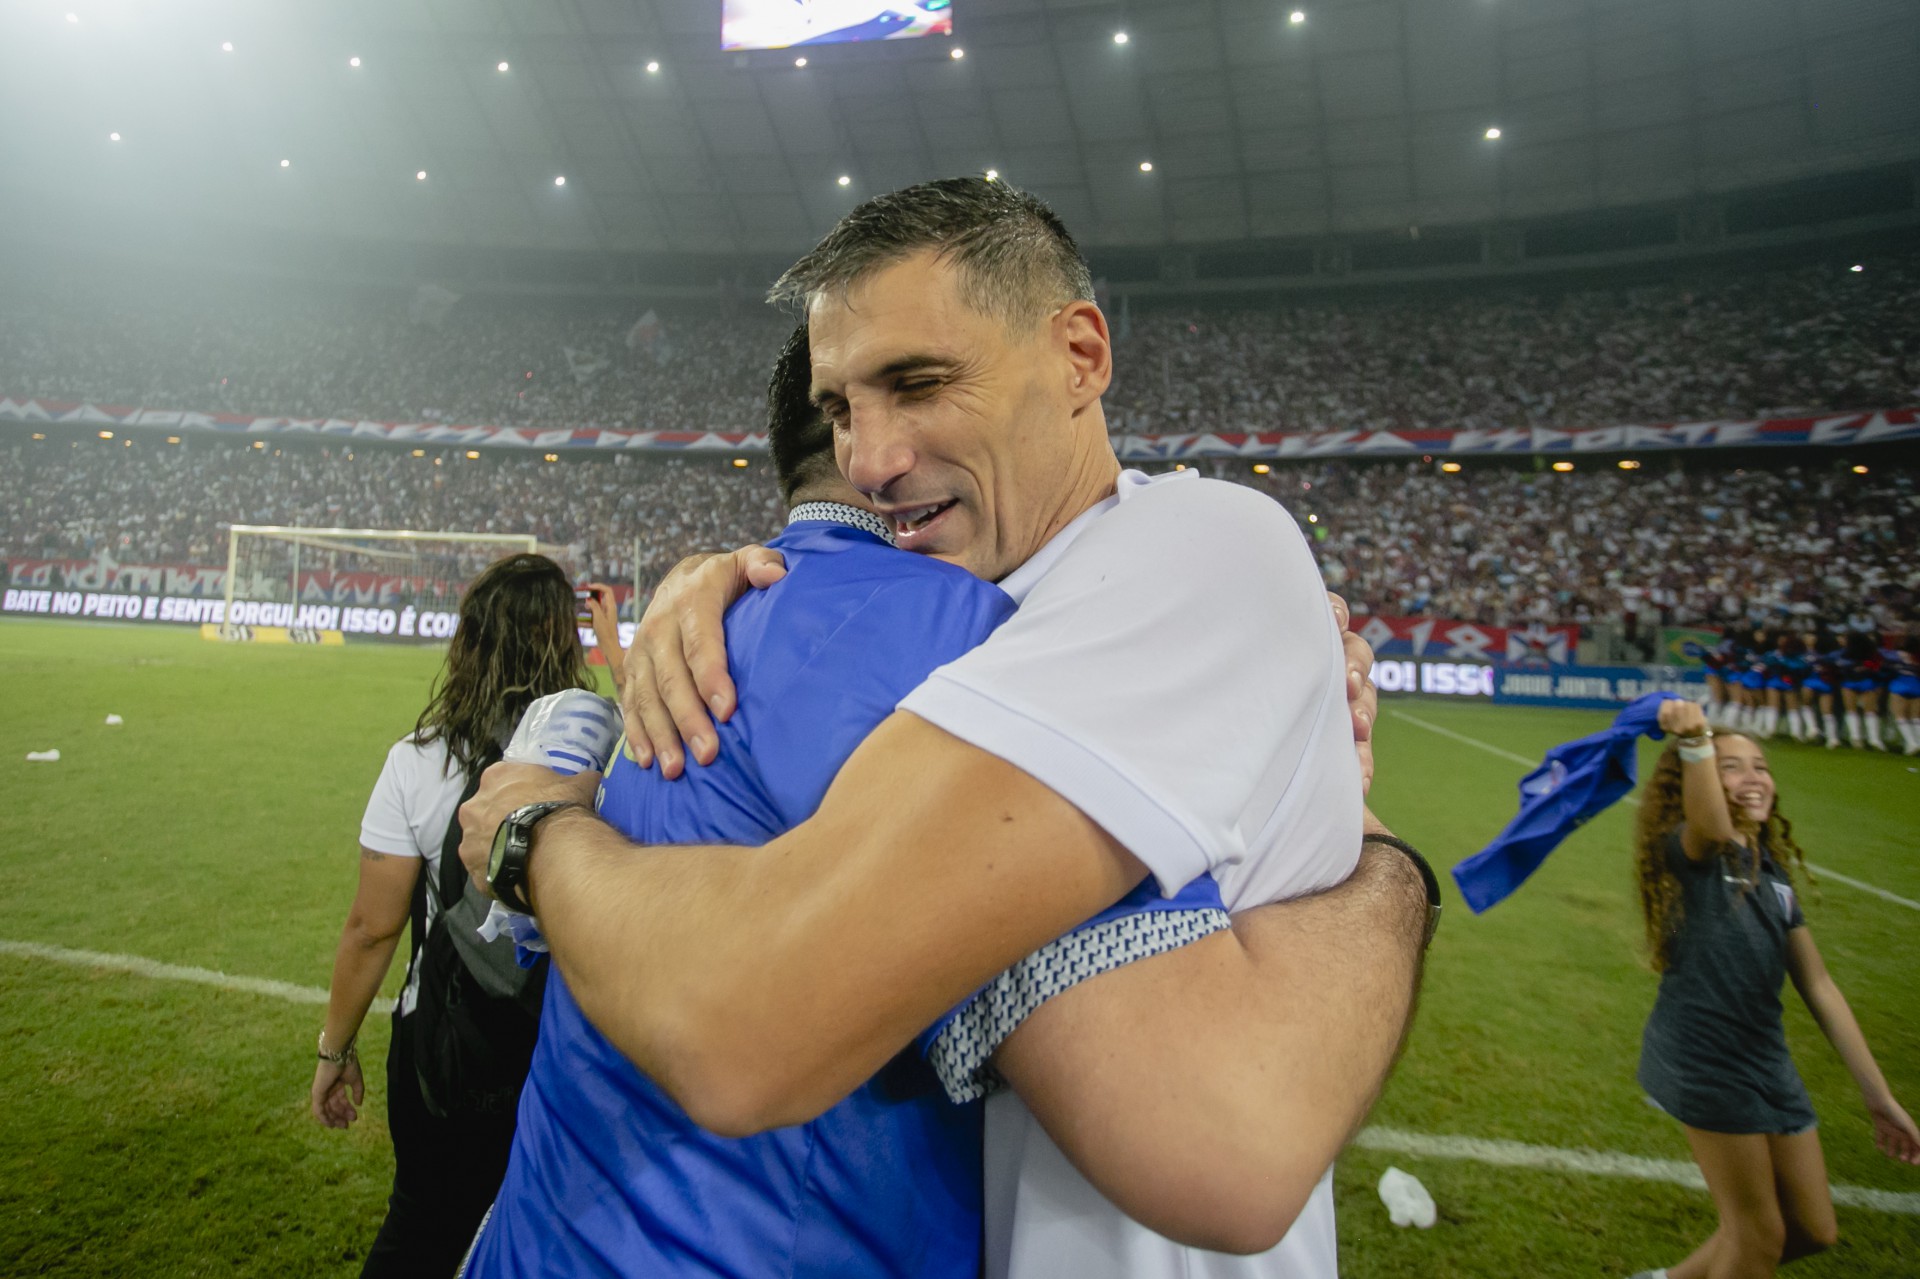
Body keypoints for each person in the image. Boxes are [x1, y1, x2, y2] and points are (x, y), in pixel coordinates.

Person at [458, 178, 1432, 1273]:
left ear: (1080, 356)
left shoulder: (1194, 545)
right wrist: (725, 574)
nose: (869, 461)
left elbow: (1227, 1148)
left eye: (918, 383)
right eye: (840, 409)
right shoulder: (989, 607)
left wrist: (1388, 866)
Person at [312, 552, 597, 1279]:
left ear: (467, 641)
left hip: (445, 1052)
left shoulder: (420, 760)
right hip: (566, 1050)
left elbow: (373, 929)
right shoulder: (607, 759)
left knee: (423, 1228)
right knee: (549, 1241)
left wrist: (333, 1052)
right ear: (564, 640)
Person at [1628, 700, 1920, 1279]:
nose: (1753, 777)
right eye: (1732, 767)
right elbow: (1712, 826)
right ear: (1695, 780)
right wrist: (1695, 741)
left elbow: (1819, 985)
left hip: (1766, 1059)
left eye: (1760, 766)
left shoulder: (1772, 872)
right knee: (1758, 1238)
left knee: (1813, 1229)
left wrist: (1879, 1097)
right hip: (1705, 1059)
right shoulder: (1690, 851)